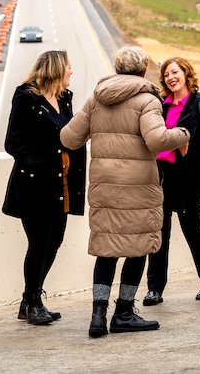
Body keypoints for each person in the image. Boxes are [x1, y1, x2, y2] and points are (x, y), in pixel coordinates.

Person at [61, 45, 190, 338]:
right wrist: (183, 134)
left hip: (104, 188)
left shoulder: (97, 98)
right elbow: (157, 139)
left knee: (106, 250)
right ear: (144, 71)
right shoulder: (147, 99)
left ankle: (97, 316)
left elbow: (69, 138)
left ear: (117, 68)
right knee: (138, 248)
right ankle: (124, 312)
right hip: (137, 189)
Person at [2, 49, 86, 326]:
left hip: (61, 184)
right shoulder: (27, 97)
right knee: (39, 243)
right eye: (69, 67)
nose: (72, 72)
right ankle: (33, 301)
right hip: (34, 185)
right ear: (56, 69)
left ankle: (29, 301)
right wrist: (40, 165)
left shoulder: (64, 98)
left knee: (54, 241)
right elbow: (14, 143)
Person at [142, 56, 200, 306]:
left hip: (191, 176)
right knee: (159, 233)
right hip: (162, 177)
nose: (170, 77)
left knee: (192, 230)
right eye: (166, 74)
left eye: (175, 72)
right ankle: (155, 288)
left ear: (186, 74)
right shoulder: (159, 106)